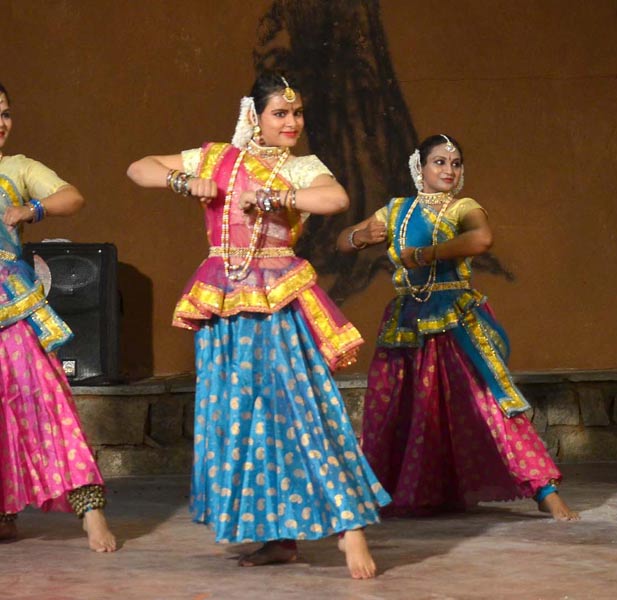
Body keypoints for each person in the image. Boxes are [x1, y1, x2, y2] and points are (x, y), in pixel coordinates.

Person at [126, 72, 390, 578]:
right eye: (280, 114)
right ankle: (277, 537)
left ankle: (350, 528)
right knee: (244, 416)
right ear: (255, 116)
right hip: (224, 303)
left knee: (303, 406)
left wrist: (272, 199)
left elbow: (332, 199)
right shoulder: (218, 158)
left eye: (297, 113)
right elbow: (139, 169)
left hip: (278, 300)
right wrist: (186, 181)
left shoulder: (302, 165)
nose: (292, 122)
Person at [336, 134, 579, 521]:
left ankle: (545, 491)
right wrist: (358, 237)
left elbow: (481, 239)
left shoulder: (463, 207)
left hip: (453, 317)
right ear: (420, 168)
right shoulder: (396, 210)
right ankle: (414, 492)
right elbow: (343, 242)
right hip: (408, 321)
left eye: (455, 163)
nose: (449, 170)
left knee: (488, 403)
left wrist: (424, 255)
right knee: (406, 408)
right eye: (439, 162)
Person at [0, 83, 117, 552]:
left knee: (45, 403)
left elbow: (72, 197)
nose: (1, 123)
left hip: (11, 303)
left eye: (5, 112)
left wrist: (32, 209)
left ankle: (91, 514)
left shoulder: (17, 167)